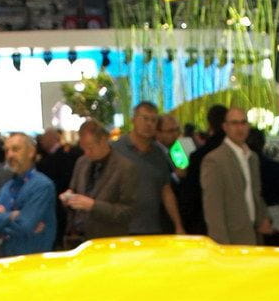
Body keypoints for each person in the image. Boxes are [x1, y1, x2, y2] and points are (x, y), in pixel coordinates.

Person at [61, 118, 139, 239]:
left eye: (90, 147)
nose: (86, 153)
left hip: (107, 238)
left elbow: (127, 212)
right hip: (78, 236)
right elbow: (74, 190)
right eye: (83, 148)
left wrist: (93, 205)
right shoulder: (82, 162)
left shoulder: (125, 168)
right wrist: (68, 197)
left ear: (103, 141)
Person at [112, 101, 182, 234]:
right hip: (120, 229)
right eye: (144, 119)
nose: (149, 124)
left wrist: (178, 226)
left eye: (153, 120)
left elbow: (166, 190)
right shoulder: (115, 150)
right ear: (133, 120)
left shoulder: (159, 153)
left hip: (152, 228)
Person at [0, 131, 57, 255]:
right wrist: (12, 216)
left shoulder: (42, 186)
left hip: (34, 260)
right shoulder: (8, 186)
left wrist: (1, 218)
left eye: (15, 149)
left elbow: (25, 226)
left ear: (31, 152)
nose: (10, 155)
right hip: (9, 258)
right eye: (7, 151)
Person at [200, 107, 265, 245]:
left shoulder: (252, 157)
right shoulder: (214, 160)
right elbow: (213, 209)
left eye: (243, 123)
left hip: (252, 234)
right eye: (234, 123)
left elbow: (255, 194)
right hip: (231, 238)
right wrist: (221, 245)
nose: (239, 128)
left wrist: (262, 218)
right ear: (225, 127)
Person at [177, 103, 227, 234]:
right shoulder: (241, 152)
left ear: (209, 124)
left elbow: (191, 194)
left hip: (204, 221)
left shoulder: (200, 156)